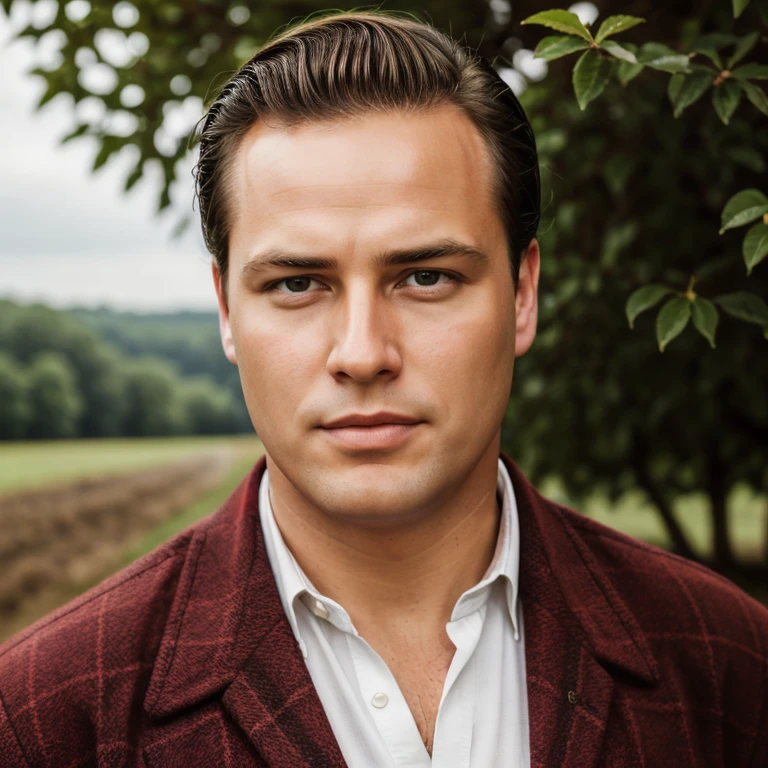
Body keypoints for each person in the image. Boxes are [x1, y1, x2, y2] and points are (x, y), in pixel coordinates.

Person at [1, 10, 766, 768]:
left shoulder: (731, 664)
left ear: (524, 292)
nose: (362, 354)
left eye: (426, 277)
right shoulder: (42, 720)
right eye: (298, 282)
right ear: (227, 310)